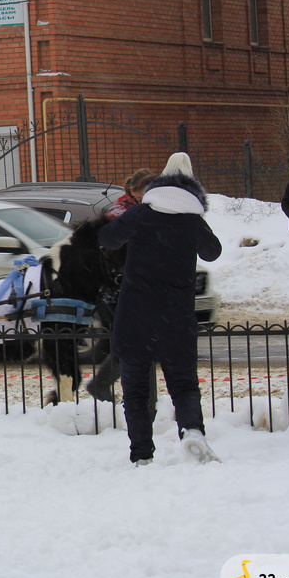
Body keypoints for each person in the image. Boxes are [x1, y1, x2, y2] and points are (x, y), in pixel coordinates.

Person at [98, 152, 222, 465]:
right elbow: (213, 252)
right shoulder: (192, 220)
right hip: (176, 317)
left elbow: (108, 239)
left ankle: (142, 454)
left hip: (135, 315)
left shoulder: (142, 214)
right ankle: (192, 431)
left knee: (136, 391)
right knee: (184, 385)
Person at [87, 168, 155, 402]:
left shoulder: (140, 211)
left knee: (137, 342)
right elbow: (112, 243)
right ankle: (109, 387)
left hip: (131, 286)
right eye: (144, 192)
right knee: (133, 341)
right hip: (115, 288)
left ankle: (135, 394)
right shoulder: (121, 212)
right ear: (133, 190)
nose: (147, 196)